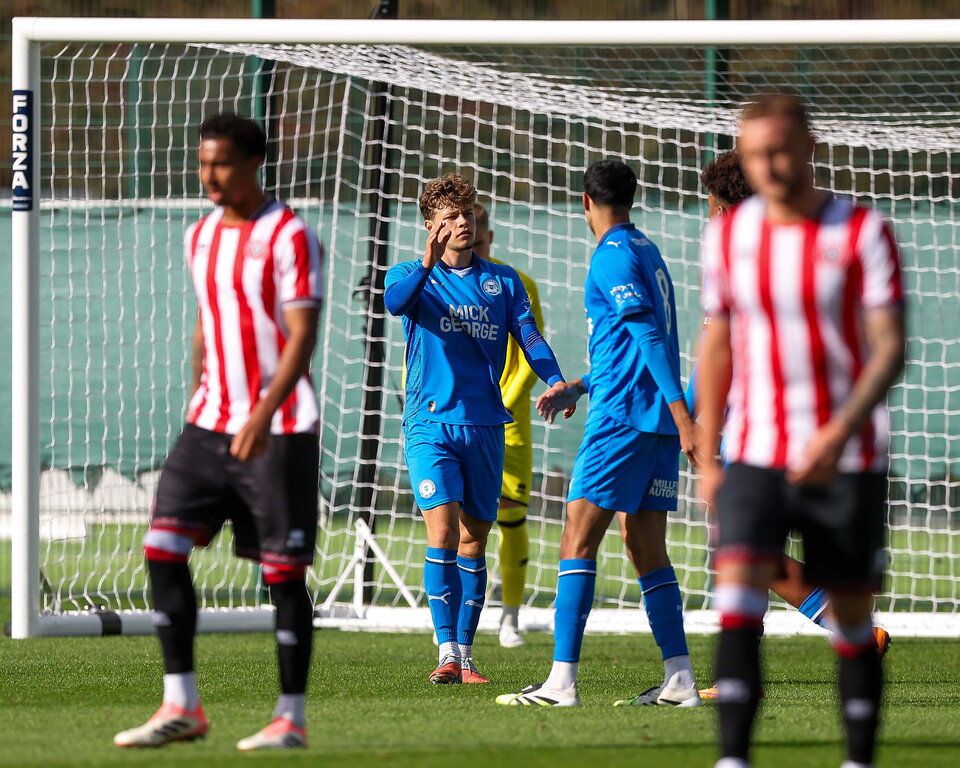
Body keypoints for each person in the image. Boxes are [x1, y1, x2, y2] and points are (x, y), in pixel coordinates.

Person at [696, 95, 905, 768]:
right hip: (756, 451)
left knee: (849, 619)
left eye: (781, 150)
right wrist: (708, 457)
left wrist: (839, 433)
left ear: (810, 146)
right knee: (737, 591)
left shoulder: (864, 231)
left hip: (846, 455)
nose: (770, 166)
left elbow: (889, 347)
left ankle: (858, 758)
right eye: (756, 154)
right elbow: (718, 345)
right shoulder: (729, 236)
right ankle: (733, 758)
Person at [113, 113, 324, 751]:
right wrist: (199, 399)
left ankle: (290, 716)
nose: (209, 174)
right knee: (161, 547)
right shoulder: (199, 235)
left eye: (223, 163)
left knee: (282, 574)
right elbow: (209, 324)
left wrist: (261, 415)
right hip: (208, 424)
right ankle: (182, 704)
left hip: (278, 426)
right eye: (204, 161)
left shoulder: (289, 236)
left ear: (254, 162)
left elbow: (301, 335)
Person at [497, 159, 702, 708]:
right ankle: (680, 681)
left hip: (626, 419)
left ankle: (561, 683)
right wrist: (582, 385)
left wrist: (685, 417)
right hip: (650, 417)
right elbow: (630, 343)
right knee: (644, 544)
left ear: (585, 202)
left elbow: (646, 336)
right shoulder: (647, 251)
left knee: (576, 537)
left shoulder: (610, 257)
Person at [384, 173, 568, 685]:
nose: (462, 223)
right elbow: (396, 303)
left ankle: (465, 656)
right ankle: (444, 650)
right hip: (430, 425)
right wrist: (426, 259)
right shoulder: (410, 275)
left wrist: (553, 380)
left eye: (467, 214)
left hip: (486, 426)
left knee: (473, 541)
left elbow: (529, 337)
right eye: (450, 216)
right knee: (441, 533)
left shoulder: (503, 281)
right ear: (431, 226)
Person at [471, 202, 543, 649]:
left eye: (478, 242)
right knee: (458, 523)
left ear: (490, 239)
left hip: (507, 422)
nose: (470, 248)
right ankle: (459, 621)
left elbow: (532, 356)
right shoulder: (436, 283)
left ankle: (510, 617)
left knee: (512, 519)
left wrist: (502, 403)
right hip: (455, 420)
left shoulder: (518, 283)